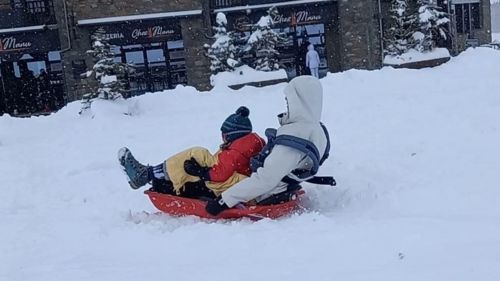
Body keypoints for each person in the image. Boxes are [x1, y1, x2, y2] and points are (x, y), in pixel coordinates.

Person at [204, 76, 331, 216]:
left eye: (289, 100)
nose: (287, 103)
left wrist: (223, 200)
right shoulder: (318, 130)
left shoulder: (294, 139)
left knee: (205, 182)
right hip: (283, 184)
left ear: (298, 101)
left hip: (264, 193)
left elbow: (265, 179)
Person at [118, 106, 265, 199]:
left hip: (229, 184)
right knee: (196, 161)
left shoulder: (236, 150)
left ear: (233, 135)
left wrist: (202, 172)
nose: (223, 138)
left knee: (197, 153)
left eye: (224, 135)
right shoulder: (249, 142)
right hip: (238, 180)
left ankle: (147, 174)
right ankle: (153, 175)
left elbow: (220, 174)